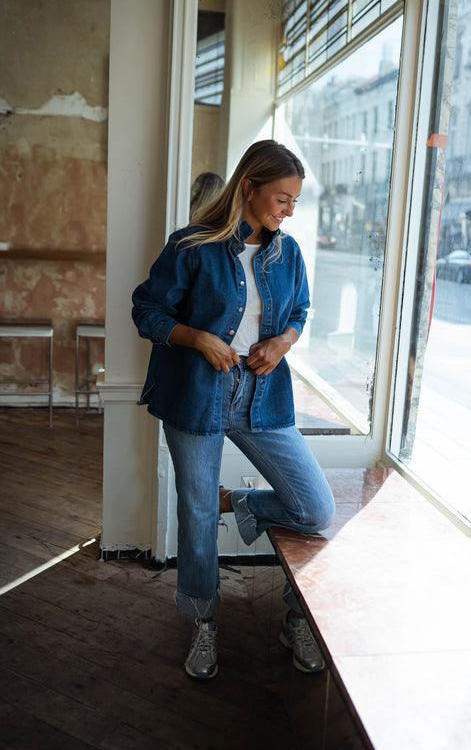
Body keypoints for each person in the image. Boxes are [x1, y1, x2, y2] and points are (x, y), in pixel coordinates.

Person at [132, 139, 336, 680]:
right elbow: (146, 310)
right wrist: (198, 337)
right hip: (196, 395)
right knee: (198, 516)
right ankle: (203, 620)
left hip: (261, 397)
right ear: (249, 187)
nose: (289, 211)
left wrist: (283, 342)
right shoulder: (191, 246)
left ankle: (243, 511)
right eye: (282, 199)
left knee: (315, 509)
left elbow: (300, 310)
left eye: (294, 201)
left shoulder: (288, 253)